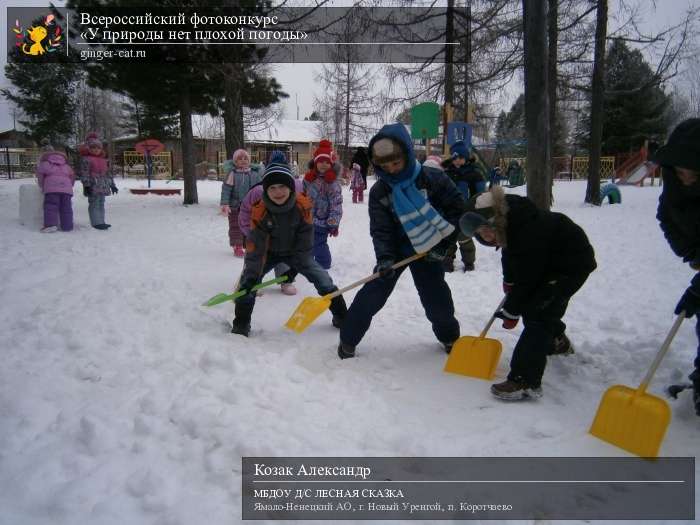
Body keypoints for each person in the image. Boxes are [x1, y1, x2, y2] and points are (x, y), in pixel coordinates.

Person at [337, 123, 463, 359]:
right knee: (373, 292)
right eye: (385, 166)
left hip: (430, 247)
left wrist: (444, 244)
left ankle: (449, 336)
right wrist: (385, 258)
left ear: (407, 153)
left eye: (396, 163)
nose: (392, 170)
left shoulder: (433, 179)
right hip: (395, 250)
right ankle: (348, 339)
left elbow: (457, 210)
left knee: (436, 296)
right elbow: (381, 230)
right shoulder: (380, 192)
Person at [459, 186, 597, 400]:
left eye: (487, 229)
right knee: (537, 307)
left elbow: (529, 277)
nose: (485, 237)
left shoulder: (528, 228)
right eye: (480, 234)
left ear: (498, 219)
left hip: (570, 265)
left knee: (539, 313)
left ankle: (525, 380)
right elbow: (511, 256)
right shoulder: (509, 226)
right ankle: (557, 340)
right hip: (545, 264)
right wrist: (509, 281)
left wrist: (512, 308)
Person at [231, 157, 347, 336]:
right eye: (272, 188)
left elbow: (306, 242)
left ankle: (342, 316)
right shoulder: (260, 211)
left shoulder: (302, 207)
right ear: (266, 190)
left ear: (291, 188)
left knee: (323, 278)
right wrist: (252, 276)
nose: (278, 192)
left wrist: (294, 269)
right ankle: (241, 323)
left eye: (283, 187)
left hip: (295, 252)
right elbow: (256, 247)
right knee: (248, 283)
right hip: (268, 253)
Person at [652, 118, 700, 415]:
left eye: (691, 171)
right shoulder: (674, 189)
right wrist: (692, 254)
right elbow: (666, 218)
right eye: (679, 170)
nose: (685, 177)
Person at [239, 151, 305, 296]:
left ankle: (286, 281)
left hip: (285, 234)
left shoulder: (297, 187)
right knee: (255, 259)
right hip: (260, 233)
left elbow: (304, 209)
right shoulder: (257, 191)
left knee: (284, 257)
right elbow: (244, 211)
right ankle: (251, 282)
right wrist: (249, 231)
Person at [303, 139, 343, 269]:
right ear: (315, 163)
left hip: (322, 220)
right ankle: (309, 262)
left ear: (331, 164)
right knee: (308, 242)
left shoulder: (332, 183)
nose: (324, 164)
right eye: (321, 161)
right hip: (308, 218)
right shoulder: (309, 179)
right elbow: (302, 196)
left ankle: (324, 264)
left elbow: (336, 204)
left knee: (319, 243)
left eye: (327, 162)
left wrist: (333, 222)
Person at [220, 148, 263, 257]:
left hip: (251, 207)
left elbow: (260, 188)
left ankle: (248, 244)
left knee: (250, 226)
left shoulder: (254, 174)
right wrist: (225, 203)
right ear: (235, 162)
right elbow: (226, 189)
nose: (243, 161)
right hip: (236, 206)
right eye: (240, 159)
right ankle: (237, 246)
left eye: (245, 158)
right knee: (236, 226)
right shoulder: (232, 174)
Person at [78, 132, 117, 230]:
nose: (96, 150)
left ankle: (101, 221)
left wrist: (112, 185)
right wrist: (86, 185)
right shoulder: (86, 159)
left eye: (98, 148)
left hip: (103, 185)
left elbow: (108, 174)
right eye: (93, 148)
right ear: (88, 148)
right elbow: (84, 173)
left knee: (101, 203)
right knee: (94, 203)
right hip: (93, 185)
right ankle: (96, 223)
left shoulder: (104, 160)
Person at [36, 149, 75, 233]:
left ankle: (51, 225)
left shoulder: (45, 164)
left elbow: (40, 175)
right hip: (66, 190)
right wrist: (69, 186)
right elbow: (72, 176)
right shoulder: (66, 166)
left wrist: (42, 185)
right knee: (66, 208)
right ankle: (67, 226)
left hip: (51, 189)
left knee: (51, 206)